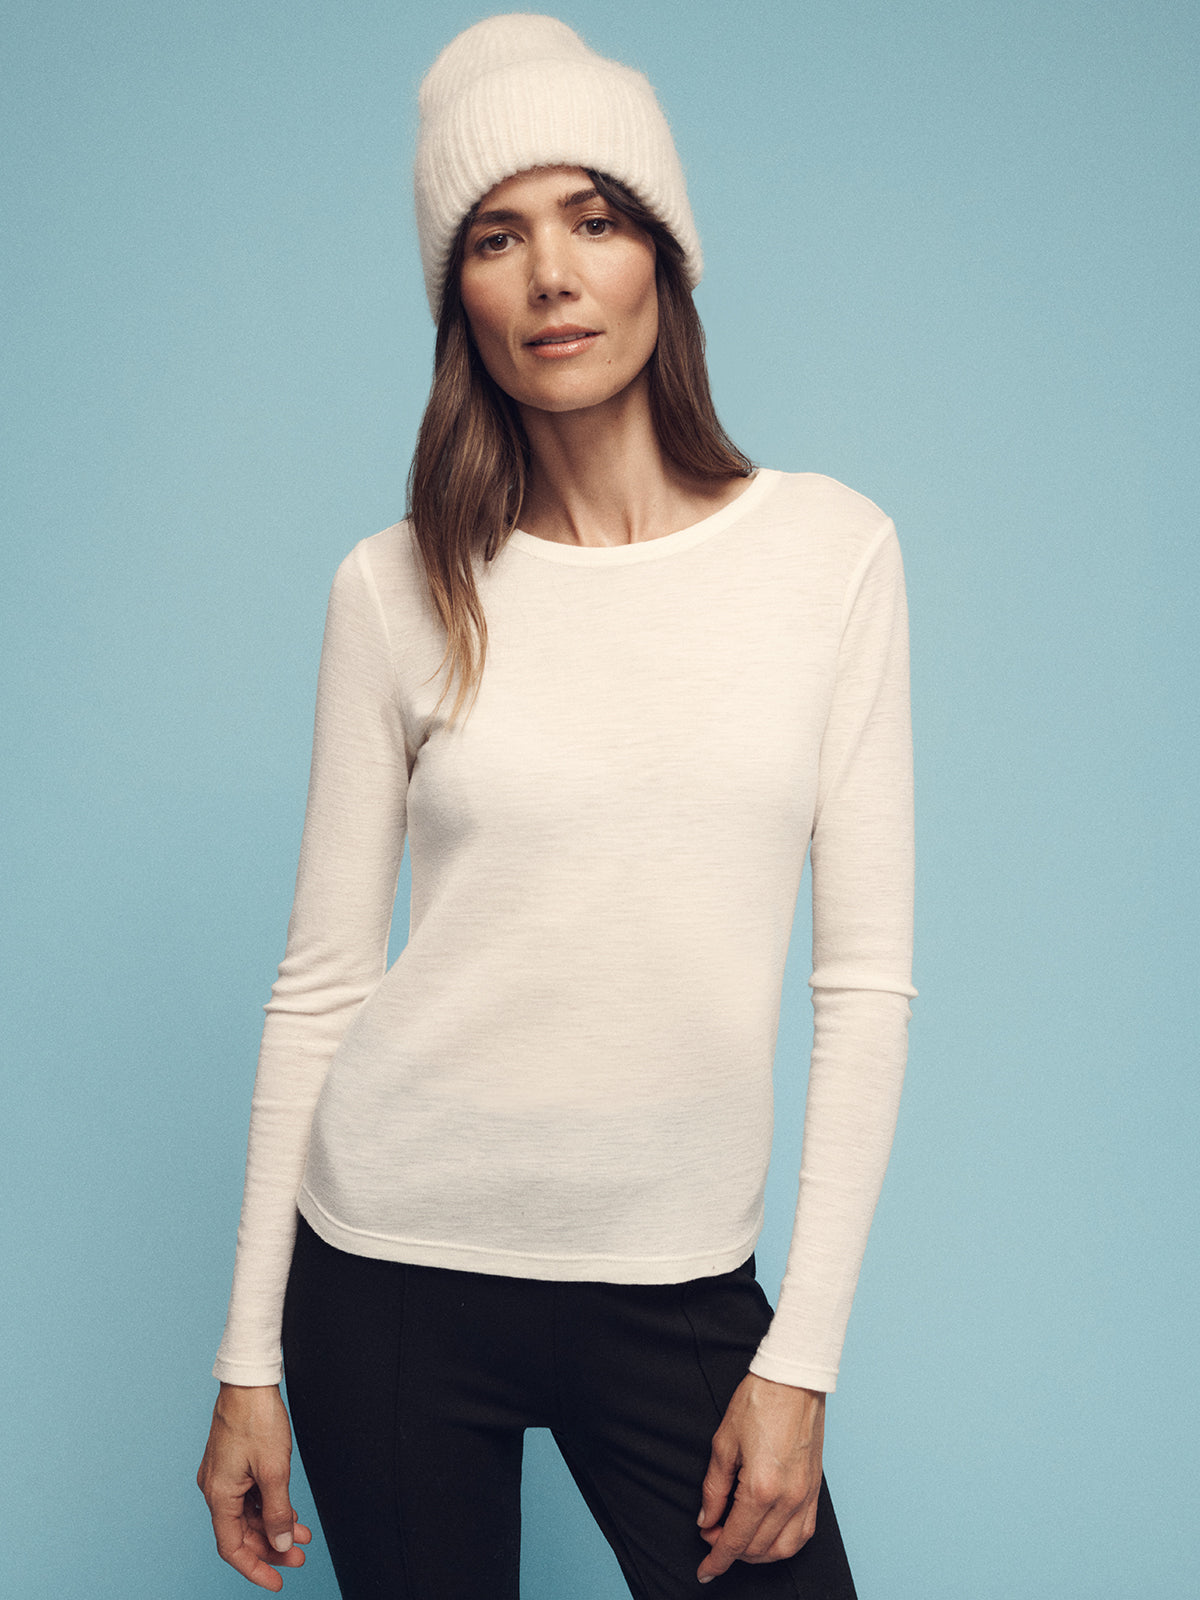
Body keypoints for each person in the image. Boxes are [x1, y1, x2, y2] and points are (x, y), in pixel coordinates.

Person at [197, 15, 916, 1600]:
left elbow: (862, 989)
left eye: (594, 218)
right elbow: (322, 982)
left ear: (665, 252)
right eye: (499, 237)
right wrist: (249, 1356)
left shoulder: (829, 557)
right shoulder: (395, 586)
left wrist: (802, 1362)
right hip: (385, 1276)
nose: (552, 275)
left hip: (674, 1291)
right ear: (458, 295)